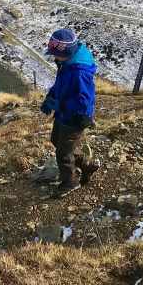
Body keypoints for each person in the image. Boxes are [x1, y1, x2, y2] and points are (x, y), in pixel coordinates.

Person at [40, 28, 100, 196]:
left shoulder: (78, 72)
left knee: (63, 152)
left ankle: (70, 181)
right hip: (63, 112)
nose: (53, 57)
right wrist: (51, 98)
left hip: (74, 118)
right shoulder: (66, 64)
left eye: (55, 54)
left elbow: (86, 97)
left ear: (66, 52)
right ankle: (86, 165)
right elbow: (61, 85)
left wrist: (84, 116)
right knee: (56, 140)